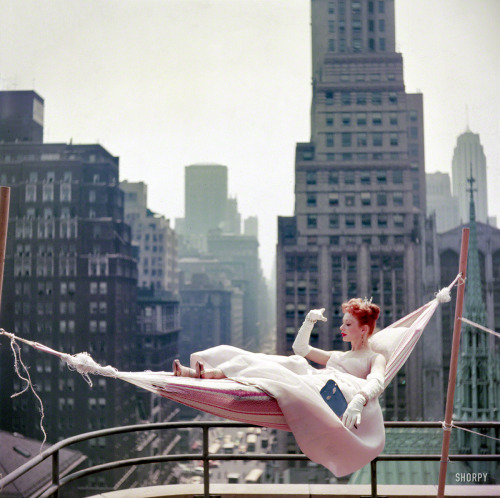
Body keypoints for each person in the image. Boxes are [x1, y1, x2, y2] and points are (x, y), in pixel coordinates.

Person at [172, 298, 386, 476]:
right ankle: (208, 373)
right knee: (270, 360)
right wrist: (309, 320)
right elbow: (300, 348)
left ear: (363, 329)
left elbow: (377, 381)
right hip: (316, 380)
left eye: (348, 324)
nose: (341, 328)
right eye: (343, 323)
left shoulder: (374, 358)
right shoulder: (338, 356)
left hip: (327, 391)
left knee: (283, 371)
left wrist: (359, 400)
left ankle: (209, 374)